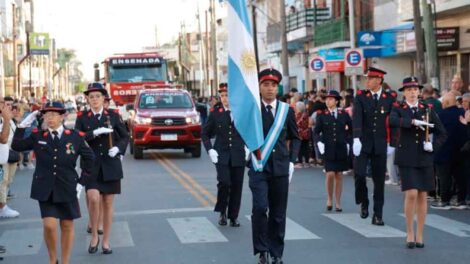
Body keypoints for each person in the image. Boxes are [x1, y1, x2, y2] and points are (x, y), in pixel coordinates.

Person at [11, 102, 94, 264]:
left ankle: (65, 261)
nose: (49, 118)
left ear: (62, 116)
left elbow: (90, 158)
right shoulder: (38, 136)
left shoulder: (75, 136)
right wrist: (22, 126)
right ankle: (52, 259)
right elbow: (16, 145)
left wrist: (81, 182)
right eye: (47, 114)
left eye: (54, 114)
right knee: (49, 225)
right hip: (45, 188)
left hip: (67, 186)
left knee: (67, 225)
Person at [248, 68, 300, 264]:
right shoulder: (253, 109)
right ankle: (262, 250)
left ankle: (276, 252)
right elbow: (241, 132)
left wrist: (292, 161)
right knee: (260, 209)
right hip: (258, 166)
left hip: (280, 167)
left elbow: (296, 138)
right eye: (265, 85)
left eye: (273, 85)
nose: (270, 89)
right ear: (259, 87)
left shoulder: (286, 110)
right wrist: (246, 149)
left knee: (278, 213)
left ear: (277, 88)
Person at [390, 76, 446, 248]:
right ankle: (409, 232)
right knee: (412, 193)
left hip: (424, 156)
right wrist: (412, 122)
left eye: (415, 89)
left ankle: (420, 234)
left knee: (423, 195)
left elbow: (442, 132)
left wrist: (433, 145)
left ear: (419, 91)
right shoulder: (398, 107)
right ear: (404, 92)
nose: (412, 92)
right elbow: (391, 121)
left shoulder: (427, 109)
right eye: (409, 89)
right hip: (406, 156)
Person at [75, 82, 129, 255]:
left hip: (110, 163)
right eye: (91, 97)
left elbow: (125, 136)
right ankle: (94, 235)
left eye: (98, 96)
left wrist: (119, 149)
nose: (95, 99)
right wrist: (94, 133)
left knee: (107, 202)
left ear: (103, 98)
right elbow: (77, 137)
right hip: (90, 165)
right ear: (87, 99)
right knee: (93, 197)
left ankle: (105, 241)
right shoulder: (82, 117)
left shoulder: (113, 115)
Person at [352, 66, 397, 225]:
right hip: (363, 142)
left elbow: (393, 121)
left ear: (379, 80)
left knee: (379, 181)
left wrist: (393, 142)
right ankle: (363, 201)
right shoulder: (360, 97)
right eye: (367, 78)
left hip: (380, 143)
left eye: (370, 79)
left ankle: (378, 214)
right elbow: (357, 117)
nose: (367, 81)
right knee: (359, 174)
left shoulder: (390, 97)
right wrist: (356, 138)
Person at [202, 83, 248, 227]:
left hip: (238, 153)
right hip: (221, 153)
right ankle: (222, 211)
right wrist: (210, 149)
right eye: (222, 95)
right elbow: (205, 133)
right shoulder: (216, 113)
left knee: (237, 186)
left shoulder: (242, 112)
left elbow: (250, 132)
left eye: (227, 95)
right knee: (224, 182)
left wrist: (249, 147)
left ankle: (233, 216)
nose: (224, 98)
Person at [315, 90, 352, 212]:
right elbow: (316, 132)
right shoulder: (322, 115)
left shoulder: (343, 114)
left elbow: (351, 129)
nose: (328, 101)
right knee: (330, 174)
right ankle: (329, 198)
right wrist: (320, 142)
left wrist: (349, 142)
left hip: (341, 148)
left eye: (331, 99)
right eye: (326, 99)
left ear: (336, 101)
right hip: (328, 148)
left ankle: (338, 202)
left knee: (339, 175)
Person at [431, 93, 468, 210]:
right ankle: (461, 200)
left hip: (443, 151)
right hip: (460, 150)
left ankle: (444, 200)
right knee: (460, 176)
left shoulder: (440, 115)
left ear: (446, 103)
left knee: (444, 177)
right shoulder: (462, 113)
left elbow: (432, 129)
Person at [0, 97, 20, 218]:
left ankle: (3, 206)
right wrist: (7, 119)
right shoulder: (5, 119)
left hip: (6, 155)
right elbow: (3, 139)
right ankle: (2, 207)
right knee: (2, 181)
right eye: (2, 103)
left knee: (6, 181)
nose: (6, 106)